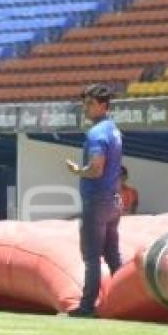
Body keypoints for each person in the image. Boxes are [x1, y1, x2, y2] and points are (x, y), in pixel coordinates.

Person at [65, 84, 123, 318]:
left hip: (97, 199)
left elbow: (96, 169)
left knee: (91, 256)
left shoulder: (96, 133)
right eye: (84, 103)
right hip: (112, 199)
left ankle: (88, 306)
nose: (85, 108)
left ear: (103, 105)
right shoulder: (114, 130)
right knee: (112, 255)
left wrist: (77, 170)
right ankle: (126, 300)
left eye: (89, 103)